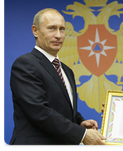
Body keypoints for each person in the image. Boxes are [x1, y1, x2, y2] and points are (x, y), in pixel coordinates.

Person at [9, 8, 107, 146]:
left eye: (62, 29)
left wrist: (79, 122)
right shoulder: (25, 64)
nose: (58, 35)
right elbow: (40, 111)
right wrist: (82, 135)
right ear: (35, 30)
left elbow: (60, 107)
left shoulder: (67, 71)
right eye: (51, 28)